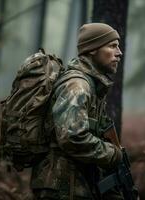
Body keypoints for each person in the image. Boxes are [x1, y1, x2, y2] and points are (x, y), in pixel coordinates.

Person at [31, 23, 124, 200]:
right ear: (92, 50)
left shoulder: (91, 85)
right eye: (112, 46)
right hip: (60, 185)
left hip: (72, 183)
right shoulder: (77, 86)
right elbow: (72, 137)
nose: (119, 52)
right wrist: (112, 154)